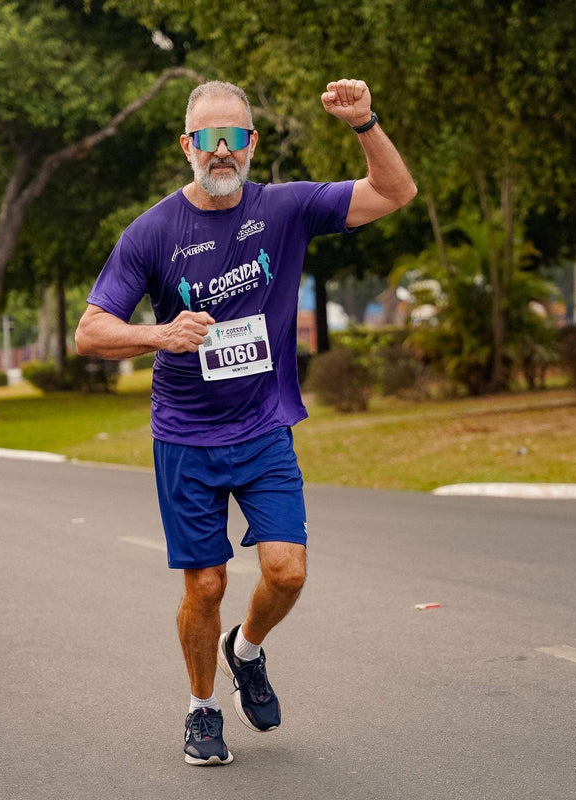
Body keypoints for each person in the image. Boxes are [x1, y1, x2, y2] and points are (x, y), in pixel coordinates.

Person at [75, 78, 416, 767]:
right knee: (205, 585)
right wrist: (160, 335)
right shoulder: (153, 232)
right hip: (186, 437)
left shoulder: (286, 209)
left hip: (263, 428)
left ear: (253, 144)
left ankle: (247, 651)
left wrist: (365, 124)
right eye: (208, 138)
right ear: (187, 147)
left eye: (234, 137)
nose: (222, 150)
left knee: (286, 573)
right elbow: (91, 332)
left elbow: (394, 193)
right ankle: (202, 710)